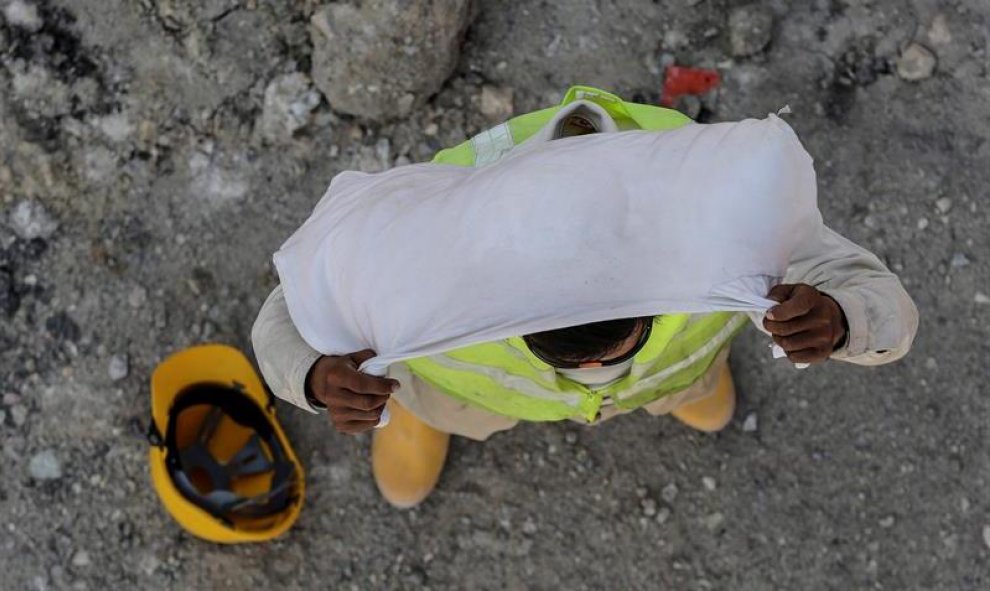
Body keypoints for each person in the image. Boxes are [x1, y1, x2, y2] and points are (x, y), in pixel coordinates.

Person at [252, 86, 918, 509]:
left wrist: (840, 319)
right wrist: (314, 376)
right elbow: (283, 315)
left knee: (692, 392)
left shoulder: (722, 217)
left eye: (608, 354)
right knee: (440, 405)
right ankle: (425, 417)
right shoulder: (415, 240)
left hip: (670, 368)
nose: (589, 375)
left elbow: (881, 300)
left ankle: (680, 387)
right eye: (569, 358)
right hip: (468, 391)